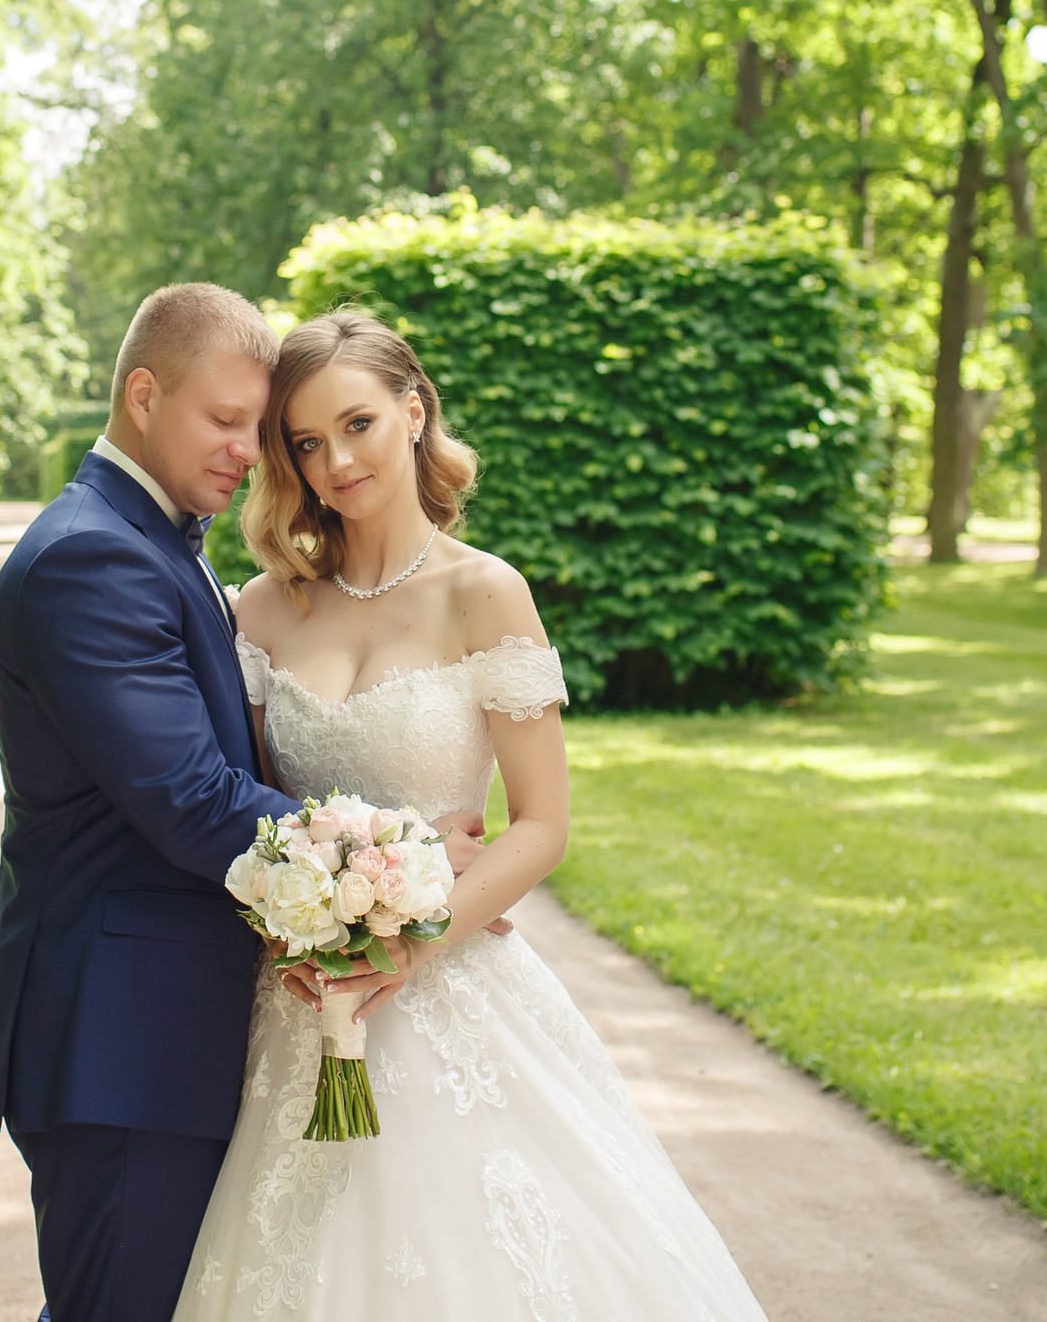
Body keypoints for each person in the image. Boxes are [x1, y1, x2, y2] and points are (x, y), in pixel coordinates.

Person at [175, 309, 768, 1320]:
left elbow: (540, 823)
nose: (334, 464)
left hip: (444, 987)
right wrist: (312, 905)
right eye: (306, 444)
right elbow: (252, 804)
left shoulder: (486, 595)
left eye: (356, 424)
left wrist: (411, 936)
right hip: (299, 1000)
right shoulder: (265, 608)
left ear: (414, 412)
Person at [0, 284, 492, 1322]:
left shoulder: (154, 539)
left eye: (260, 434)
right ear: (140, 395)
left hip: (164, 1031)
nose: (250, 455)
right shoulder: (93, 558)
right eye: (224, 421)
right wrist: (399, 864)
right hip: (121, 1041)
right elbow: (191, 798)